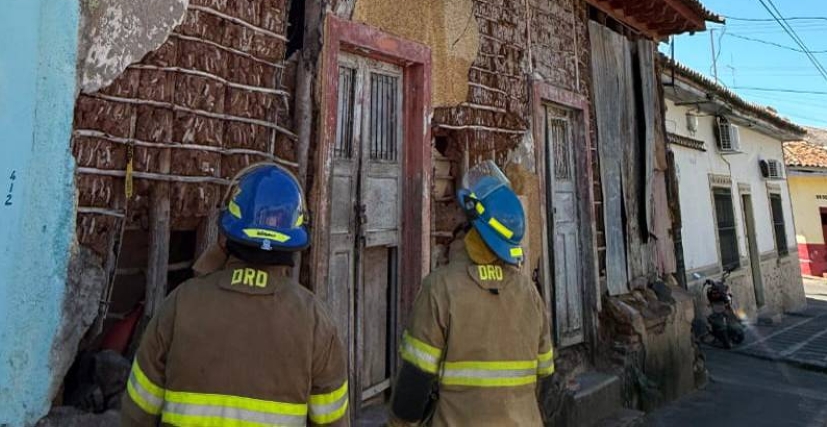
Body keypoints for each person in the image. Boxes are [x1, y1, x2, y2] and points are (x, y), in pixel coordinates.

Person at [122, 163, 350, 427]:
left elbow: (136, 414)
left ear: (227, 234)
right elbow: (333, 422)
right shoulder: (316, 323)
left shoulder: (180, 304)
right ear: (293, 242)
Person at [388, 160, 554, 426]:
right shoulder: (529, 293)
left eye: (460, 216)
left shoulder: (440, 289)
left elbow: (413, 389)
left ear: (470, 230)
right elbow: (546, 376)